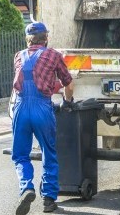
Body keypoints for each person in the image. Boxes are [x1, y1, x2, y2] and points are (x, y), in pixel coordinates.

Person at [11, 22, 75, 215]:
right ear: (45, 37)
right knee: (49, 152)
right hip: (42, 108)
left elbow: (21, 82)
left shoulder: (18, 56)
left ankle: (27, 188)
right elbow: (68, 84)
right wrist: (67, 101)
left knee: (21, 155)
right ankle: (48, 200)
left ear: (28, 39)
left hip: (21, 107)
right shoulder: (53, 55)